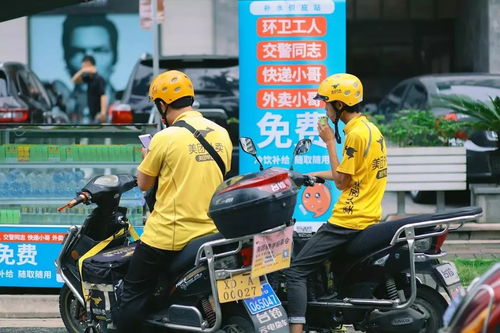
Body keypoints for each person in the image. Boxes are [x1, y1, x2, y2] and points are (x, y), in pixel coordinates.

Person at [117, 70, 232, 333]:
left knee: (133, 292)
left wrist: (147, 155)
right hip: (210, 231)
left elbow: (144, 183)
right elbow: (219, 173)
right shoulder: (220, 133)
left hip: (169, 234)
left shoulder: (164, 138)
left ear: (161, 104)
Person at [286, 73, 388, 332]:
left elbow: (342, 182)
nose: (324, 107)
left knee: (297, 270)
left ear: (339, 105)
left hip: (348, 219)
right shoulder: (370, 129)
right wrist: (313, 176)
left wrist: (330, 141)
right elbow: (350, 173)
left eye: (326, 102)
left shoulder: (353, 135)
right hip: (368, 213)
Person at [62, 15, 118, 121]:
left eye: (99, 50)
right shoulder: (64, 105)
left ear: (115, 57)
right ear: (66, 57)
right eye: (78, 51)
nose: (89, 59)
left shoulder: (123, 103)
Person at [71, 55, 107, 123]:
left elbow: (103, 95)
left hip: (98, 114)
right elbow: (74, 80)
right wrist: (82, 71)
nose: (83, 68)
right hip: (92, 114)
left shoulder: (99, 79)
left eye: (84, 66)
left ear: (89, 64)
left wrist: (103, 113)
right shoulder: (89, 79)